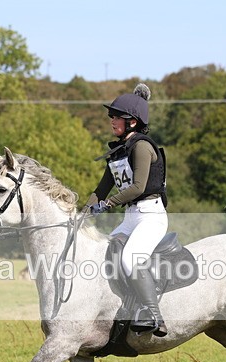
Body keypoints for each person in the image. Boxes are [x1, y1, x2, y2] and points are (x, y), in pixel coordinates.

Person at [86, 83, 168, 337]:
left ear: (132, 122)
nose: (111, 120)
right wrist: (82, 212)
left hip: (150, 216)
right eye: (111, 116)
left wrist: (108, 204)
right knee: (106, 255)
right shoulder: (119, 151)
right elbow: (101, 189)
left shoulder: (142, 147)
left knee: (130, 258)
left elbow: (138, 187)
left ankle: (154, 315)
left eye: (116, 117)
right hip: (131, 217)